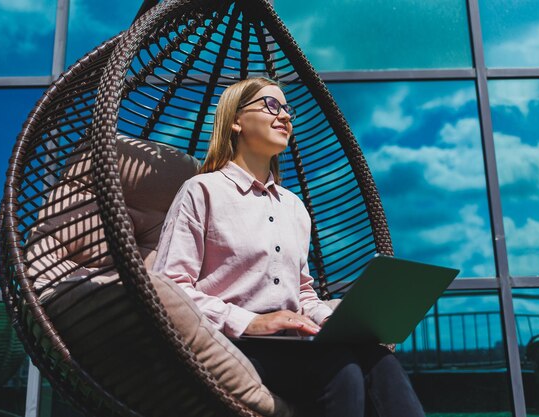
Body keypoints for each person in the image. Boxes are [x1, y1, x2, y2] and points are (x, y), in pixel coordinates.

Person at [152, 77, 425, 417]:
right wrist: (249, 321)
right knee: (341, 369)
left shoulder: (293, 207)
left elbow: (303, 293)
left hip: (295, 347)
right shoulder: (201, 192)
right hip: (233, 346)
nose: (284, 116)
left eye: (287, 110)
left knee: (379, 360)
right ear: (236, 120)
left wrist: (330, 318)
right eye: (271, 106)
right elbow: (168, 290)